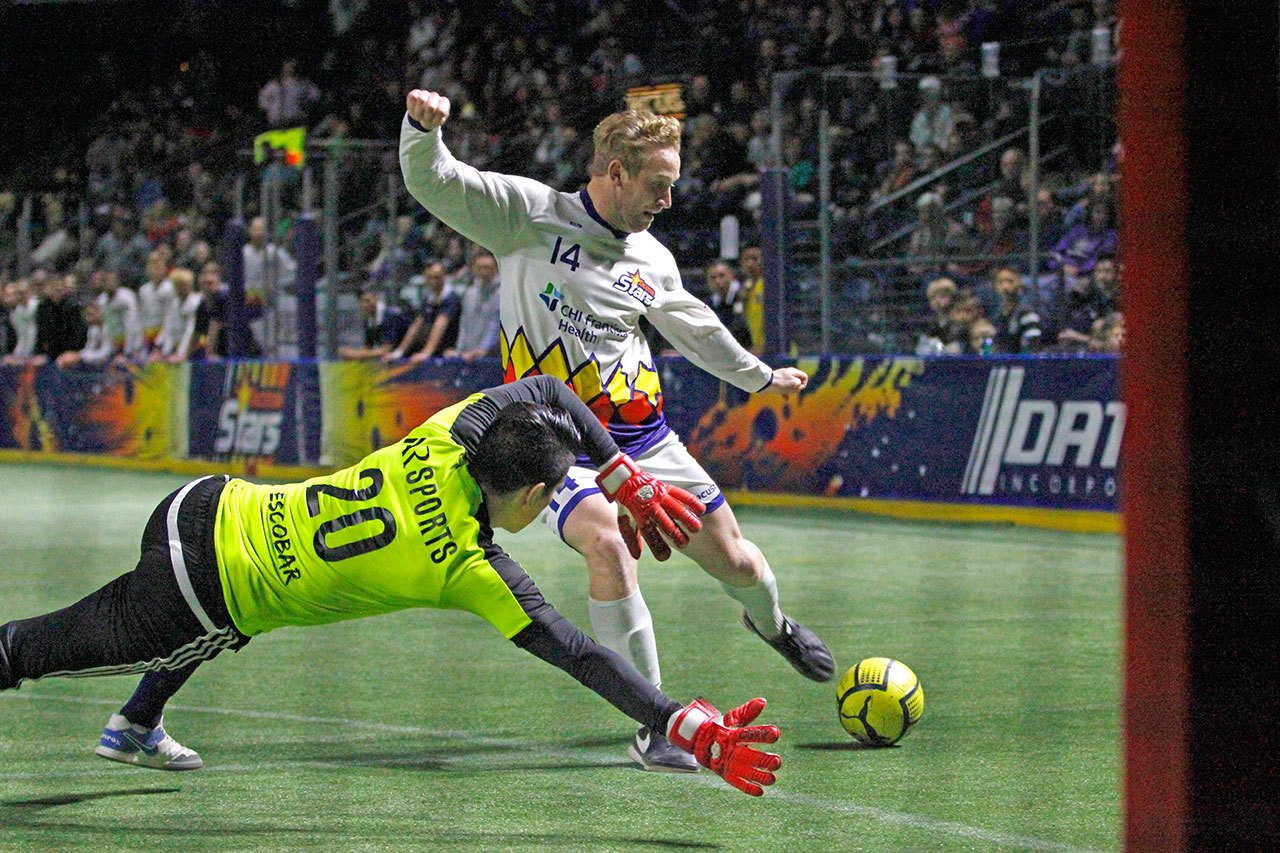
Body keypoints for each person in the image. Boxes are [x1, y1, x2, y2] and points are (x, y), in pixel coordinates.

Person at [0, 376, 781, 798]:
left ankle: (137, 722)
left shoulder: (452, 431)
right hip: (189, 591)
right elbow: (580, 652)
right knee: (29, 650)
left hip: (206, 502)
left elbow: (545, 384)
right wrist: (679, 722)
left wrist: (617, 472)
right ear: (534, 496)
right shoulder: (468, 569)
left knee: (233, 623)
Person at [400, 89, 833, 773]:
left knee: (741, 565)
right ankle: (657, 725)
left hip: (644, 439)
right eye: (658, 184)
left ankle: (772, 624)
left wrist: (758, 378)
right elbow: (438, 181)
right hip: (554, 443)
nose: (668, 200)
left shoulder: (652, 259)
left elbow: (695, 328)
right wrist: (422, 131)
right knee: (607, 541)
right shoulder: (528, 215)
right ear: (615, 172)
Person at [384, 261, 462, 362]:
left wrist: (426, 353)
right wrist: (399, 352)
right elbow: (417, 324)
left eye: (437, 277)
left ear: (444, 276)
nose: (433, 281)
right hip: (433, 353)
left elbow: (440, 325)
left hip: (448, 353)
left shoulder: (451, 298)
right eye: (429, 278)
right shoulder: (427, 298)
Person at [444, 251, 501, 362]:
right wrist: (459, 351)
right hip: (469, 355)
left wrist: (483, 350)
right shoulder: (469, 293)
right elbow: (464, 324)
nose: (484, 271)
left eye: (488, 267)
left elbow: (496, 324)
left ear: (496, 268)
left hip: (493, 358)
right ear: (474, 268)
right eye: (480, 267)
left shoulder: (502, 292)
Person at [339, 286, 414, 360]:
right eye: (361, 302)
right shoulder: (368, 320)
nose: (364, 305)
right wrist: (350, 354)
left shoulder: (391, 316)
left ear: (376, 298)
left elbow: (386, 350)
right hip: (394, 358)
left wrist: (357, 354)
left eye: (367, 301)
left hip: (410, 356)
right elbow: (368, 347)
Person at [704, 261, 753, 349]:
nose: (717, 281)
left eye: (722, 276)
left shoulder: (745, 295)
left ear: (732, 275)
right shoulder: (709, 303)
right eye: (713, 277)